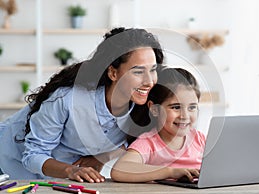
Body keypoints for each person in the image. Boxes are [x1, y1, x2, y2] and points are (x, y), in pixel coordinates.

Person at [0, 27, 164, 182]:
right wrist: (71, 171)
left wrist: (102, 158)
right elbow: (33, 154)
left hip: (58, 169)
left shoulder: (144, 105)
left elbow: (130, 141)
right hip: (11, 155)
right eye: (138, 71)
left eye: (153, 69)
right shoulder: (67, 99)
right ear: (113, 73)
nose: (149, 81)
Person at [111, 67, 206, 183]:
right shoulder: (148, 143)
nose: (185, 115)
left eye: (192, 107)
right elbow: (119, 170)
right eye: (176, 107)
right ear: (154, 109)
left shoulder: (200, 140)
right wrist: (171, 172)